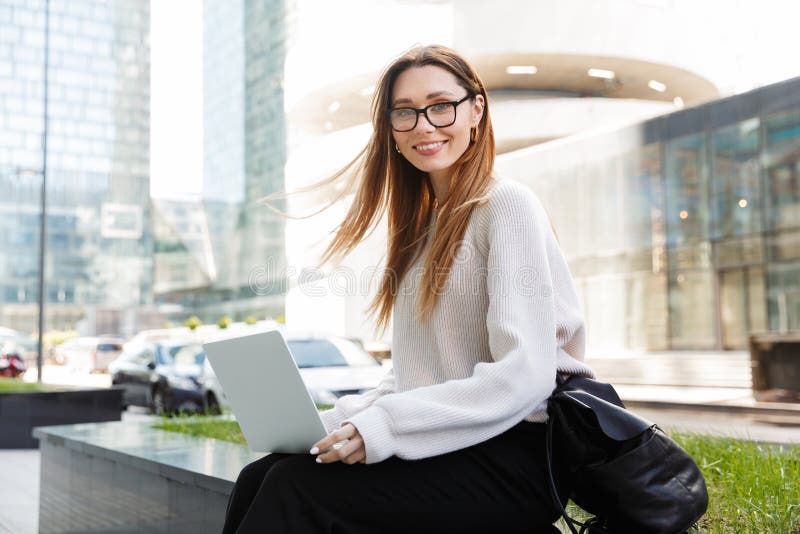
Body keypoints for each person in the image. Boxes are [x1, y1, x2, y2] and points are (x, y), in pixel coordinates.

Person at [222, 44, 594, 534]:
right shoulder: (423, 231)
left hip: (519, 456)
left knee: (294, 488)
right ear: (391, 129)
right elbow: (415, 380)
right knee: (261, 474)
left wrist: (385, 428)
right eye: (405, 112)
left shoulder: (506, 205)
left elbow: (523, 377)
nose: (423, 125)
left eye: (441, 105)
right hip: (454, 442)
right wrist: (334, 424)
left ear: (475, 110)